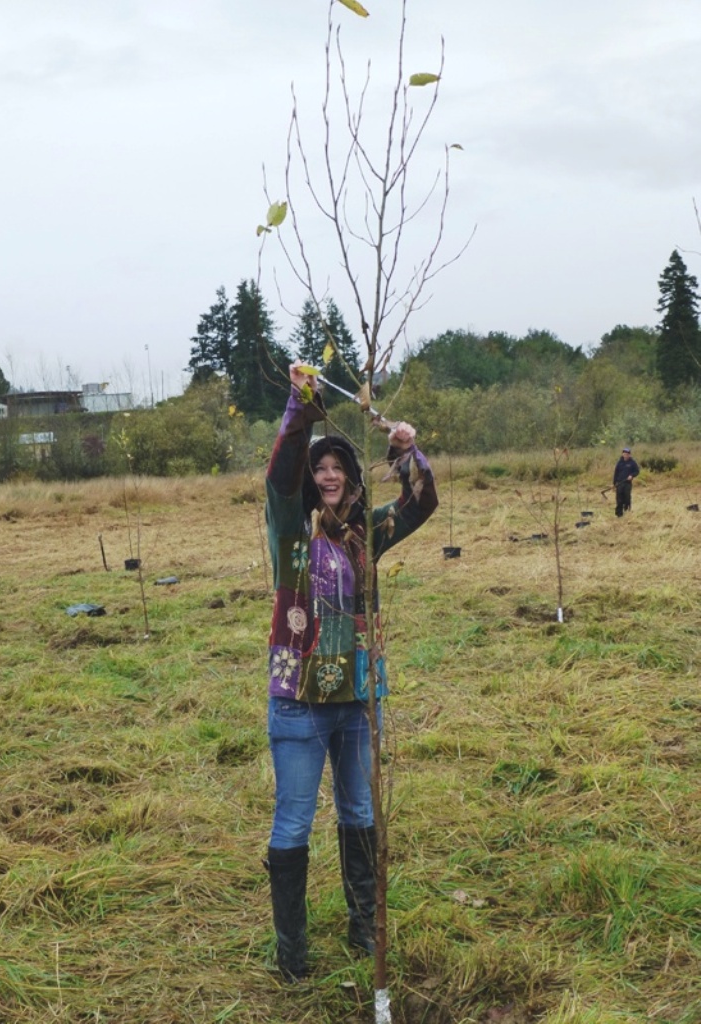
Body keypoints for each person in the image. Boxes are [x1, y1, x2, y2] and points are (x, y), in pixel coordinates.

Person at [264, 363, 438, 981]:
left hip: (361, 699)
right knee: (293, 819)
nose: (329, 473)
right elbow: (279, 474)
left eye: (339, 466)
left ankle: (365, 931)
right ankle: (293, 957)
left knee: (359, 812)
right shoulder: (289, 531)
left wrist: (407, 449)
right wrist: (299, 404)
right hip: (299, 701)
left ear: (353, 477)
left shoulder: (369, 531)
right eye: (320, 467)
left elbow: (423, 500)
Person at [613, 446, 639, 517]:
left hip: (627, 484)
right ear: (622, 454)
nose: (625, 455)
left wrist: (632, 475)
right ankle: (619, 514)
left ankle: (627, 511)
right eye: (624, 453)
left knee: (627, 498)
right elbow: (616, 473)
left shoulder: (632, 463)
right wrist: (614, 483)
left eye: (627, 453)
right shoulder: (619, 463)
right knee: (619, 499)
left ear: (629, 454)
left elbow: (637, 471)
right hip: (619, 483)